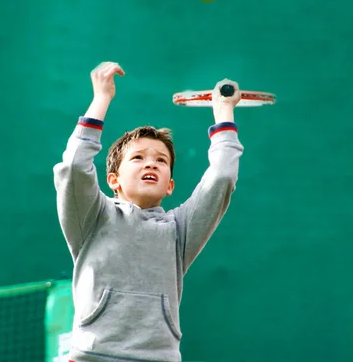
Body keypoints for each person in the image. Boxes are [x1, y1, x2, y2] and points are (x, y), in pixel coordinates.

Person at [53, 61, 244, 362]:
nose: (151, 163)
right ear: (113, 180)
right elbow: (75, 166)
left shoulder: (180, 230)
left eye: (161, 160)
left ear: (170, 185)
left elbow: (222, 178)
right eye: (138, 157)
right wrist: (101, 98)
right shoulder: (91, 218)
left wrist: (222, 111)